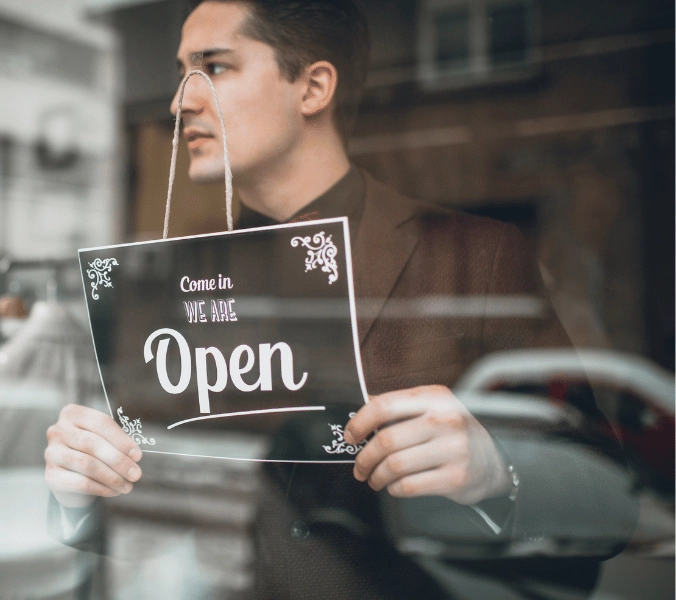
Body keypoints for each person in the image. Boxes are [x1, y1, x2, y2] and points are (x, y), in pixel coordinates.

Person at [45, 1, 637, 597]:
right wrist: (80, 493)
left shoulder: (473, 255)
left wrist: (496, 469)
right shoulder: (177, 279)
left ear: (313, 87)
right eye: (180, 73)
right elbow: (157, 488)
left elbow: (610, 499)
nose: (180, 102)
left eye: (215, 68)